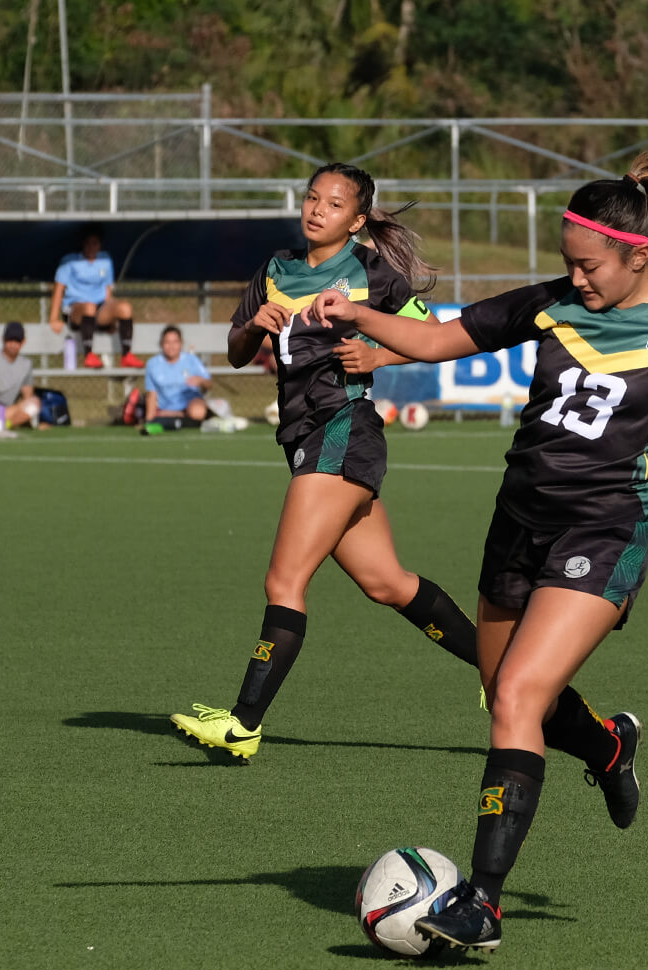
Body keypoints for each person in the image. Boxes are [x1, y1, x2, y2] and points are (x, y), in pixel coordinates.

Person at [305, 150, 648, 952]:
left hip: (606, 530)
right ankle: (608, 744)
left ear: (636, 255)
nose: (574, 278)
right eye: (567, 263)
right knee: (516, 698)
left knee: (514, 701)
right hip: (517, 524)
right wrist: (359, 315)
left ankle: (482, 903)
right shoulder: (546, 303)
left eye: (588, 266)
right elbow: (439, 343)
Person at [169, 162, 479, 761]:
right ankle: (503, 671)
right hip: (306, 435)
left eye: (334, 205)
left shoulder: (372, 274)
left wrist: (378, 359)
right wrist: (251, 327)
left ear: (357, 220)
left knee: (284, 581)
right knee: (388, 583)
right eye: (313, 198)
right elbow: (236, 353)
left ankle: (243, 725)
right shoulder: (276, 269)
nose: (317, 209)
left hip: (342, 430)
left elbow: (435, 338)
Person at [48, 228, 143, 369]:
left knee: (125, 308)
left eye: (95, 243)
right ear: (83, 244)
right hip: (75, 310)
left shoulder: (105, 260)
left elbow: (107, 293)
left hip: (98, 310)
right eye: (88, 243)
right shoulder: (69, 261)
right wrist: (53, 318)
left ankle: (126, 355)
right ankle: (88, 356)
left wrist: (111, 319)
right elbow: (59, 289)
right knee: (89, 307)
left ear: (100, 245)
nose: (91, 247)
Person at [140, 324, 211, 432]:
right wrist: (149, 420)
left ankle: (175, 417)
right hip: (164, 408)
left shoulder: (191, 360)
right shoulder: (152, 364)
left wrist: (201, 380)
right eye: (167, 342)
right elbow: (152, 394)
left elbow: (209, 384)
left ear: (181, 343)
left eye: (175, 342)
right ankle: (179, 420)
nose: (171, 346)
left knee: (198, 412)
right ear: (161, 344)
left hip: (188, 406)